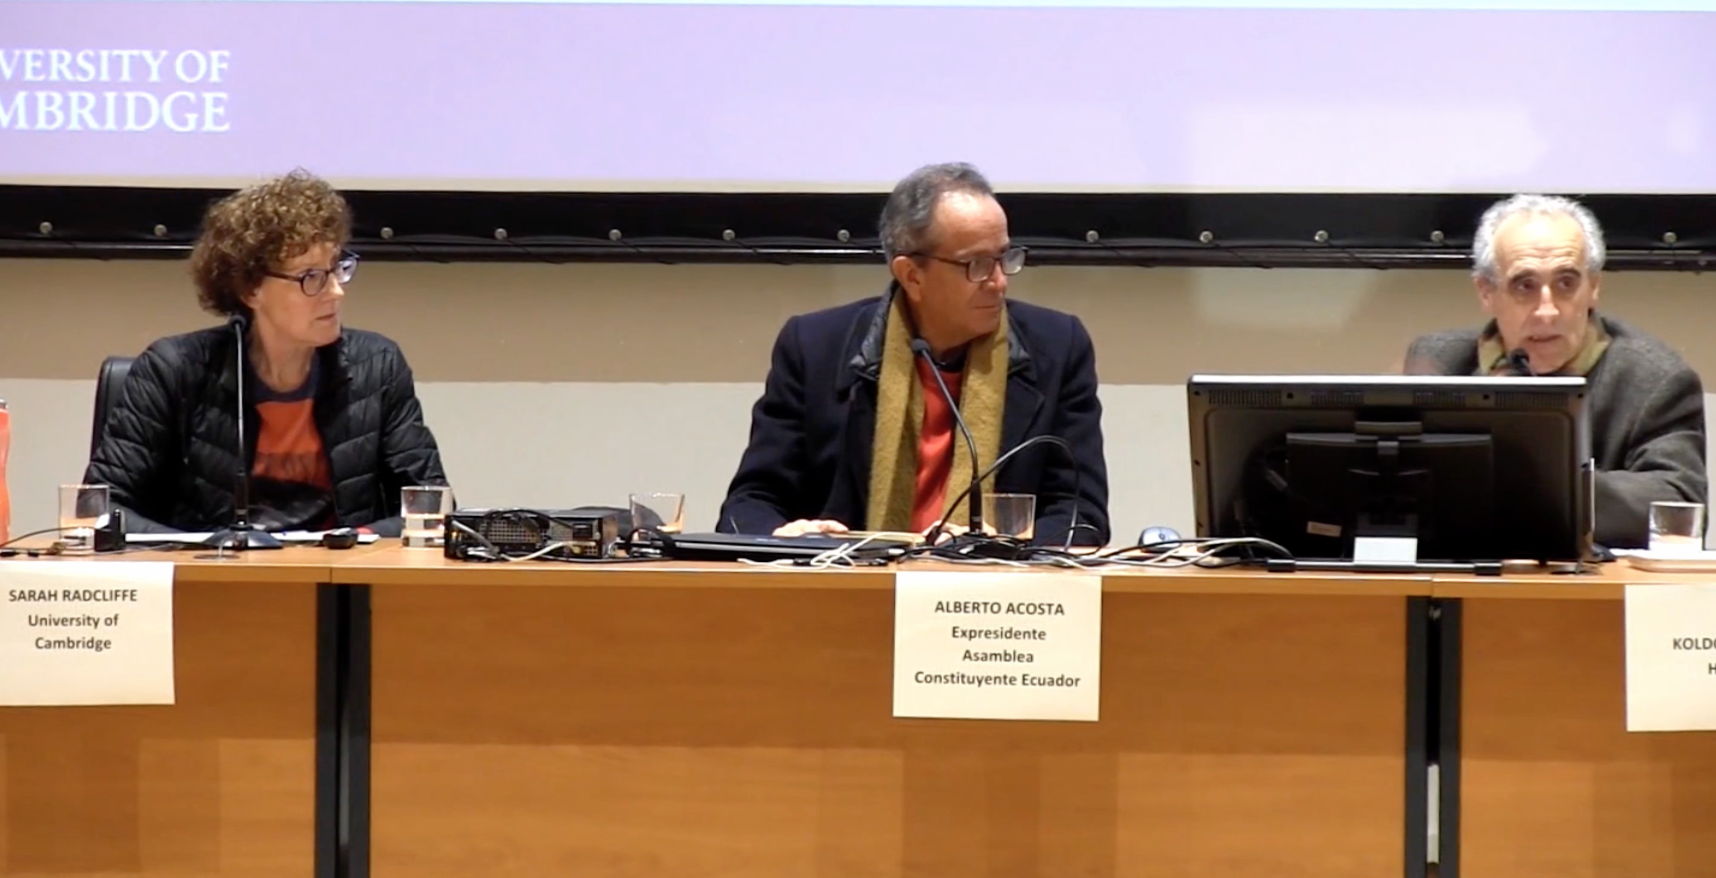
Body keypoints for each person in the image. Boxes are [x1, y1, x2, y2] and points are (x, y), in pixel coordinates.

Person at [717, 162, 1110, 545]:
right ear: (911, 275)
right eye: (976, 264)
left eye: (1005, 257)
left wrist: (1003, 545)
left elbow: (1081, 515)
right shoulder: (814, 347)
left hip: (993, 584)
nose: (999, 281)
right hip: (849, 578)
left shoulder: (1058, 348)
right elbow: (748, 505)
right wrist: (782, 535)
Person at [84, 169, 449, 536]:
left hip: (337, 570)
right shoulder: (174, 370)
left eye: (336, 269)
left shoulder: (378, 366)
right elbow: (98, 509)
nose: (336, 292)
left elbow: (431, 506)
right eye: (311, 277)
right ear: (250, 289)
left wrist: (354, 542)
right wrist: (203, 550)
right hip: (217, 569)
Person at [1403, 193, 1706, 548]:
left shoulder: (1655, 380)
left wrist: (1548, 485)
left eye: (1566, 283)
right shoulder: (1440, 363)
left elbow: (1678, 505)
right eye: (1525, 285)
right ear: (1486, 292)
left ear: (1593, 287)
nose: (1547, 311)